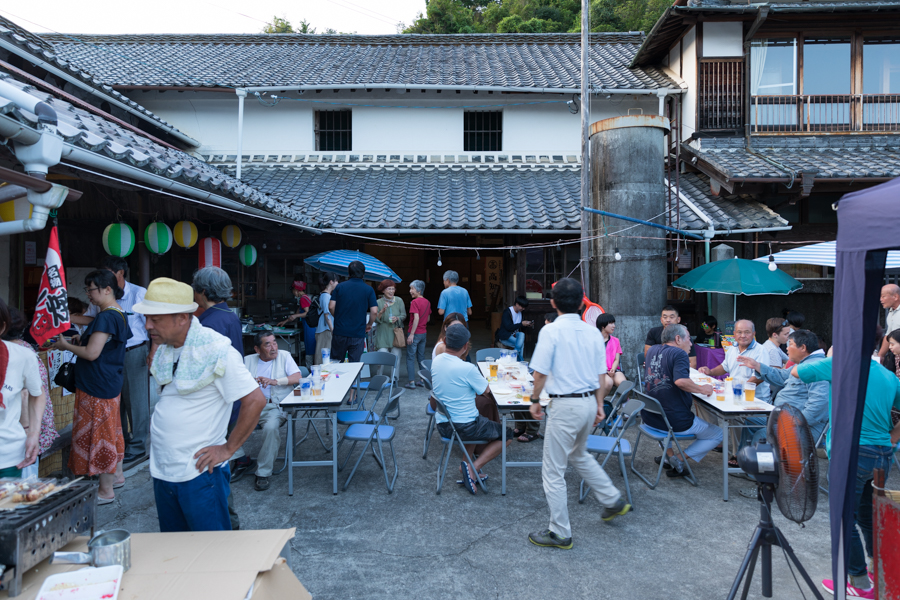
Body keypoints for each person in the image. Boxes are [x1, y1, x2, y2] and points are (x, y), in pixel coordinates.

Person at [134, 278, 265, 532]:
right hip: (164, 470)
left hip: (200, 473)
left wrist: (228, 449)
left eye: (156, 319)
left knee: (211, 555)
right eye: (147, 318)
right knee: (177, 551)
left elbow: (255, 400)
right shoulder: (165, 348)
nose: (148, 326)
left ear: (183, 318)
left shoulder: (216, 349)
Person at [526, 278, 630, 550]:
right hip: (587, 403)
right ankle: (611, 498)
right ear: (583, 301)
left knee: (553, 471)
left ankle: (560, 532)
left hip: (564, 406)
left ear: (552, 302)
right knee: (578, 454)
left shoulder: (551, 331)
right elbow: (600, 373)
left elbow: (540, 372)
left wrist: (535, 399)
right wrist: (598, 404)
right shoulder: (591, 332)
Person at [790, 355, 900, 598]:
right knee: (867, 516)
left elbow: (796, 371)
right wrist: (892, 439)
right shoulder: (888, 375)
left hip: (853, 453)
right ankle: (879, 573)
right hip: (882, 455)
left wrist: (829, 358)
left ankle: (859, 583)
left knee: (843, 518)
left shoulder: (839, 364)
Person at [49, 270, 131, 503]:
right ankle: (117, 476)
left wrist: (65, 345)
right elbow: (99, 338)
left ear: (107, 289)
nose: (88, 295)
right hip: (109, 381)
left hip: (96, 383)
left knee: (101, 436)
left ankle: (105, 491)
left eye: (91, 290)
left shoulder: (106, 316)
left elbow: (92, 353)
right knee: (111, 431)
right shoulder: (117, 313)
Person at [71, 256, 149, 469]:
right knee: (116, 401)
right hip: (109, 354)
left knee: (136, 401)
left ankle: (139, 447)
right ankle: (119, 447)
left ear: (120, 273)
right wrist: (70, 319)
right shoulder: (99, 299)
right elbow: (94, 320)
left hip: (134, 351)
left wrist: (153, 352)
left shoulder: (139, 293)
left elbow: (149, 325)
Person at [192, 267, 255, 506]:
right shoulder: (227, 315)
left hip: (216, 395)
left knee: (214, 458)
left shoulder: (210, 322)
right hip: (230, 391)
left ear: (204, 291)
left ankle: (221, 509)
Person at [431, 323, 512, 494]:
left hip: (444, 425)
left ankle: (466, 466)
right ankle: (474, 468)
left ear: (445, 341)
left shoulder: (436, 361)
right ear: (466, 346)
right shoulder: (467, 368)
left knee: (477, 415)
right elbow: (487, 391)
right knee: (507, 434)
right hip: (464, 428)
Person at [644, 324, 723, 477]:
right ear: (678, 339)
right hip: (673, 421)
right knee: (717, 434)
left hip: (650, 418)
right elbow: (680, 381)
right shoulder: (679, 354)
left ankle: (669, 456)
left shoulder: (652, 350)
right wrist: (703, 389)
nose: (691, 343)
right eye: (689, 338)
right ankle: (678, 459)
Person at [736, 329, 830, 447]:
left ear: (803, 348)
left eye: (790, 344)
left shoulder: (816, 368)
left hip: (803, 426)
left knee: (761, 436)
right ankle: (745, 461)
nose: (786, 348)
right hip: (783, 417)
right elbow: (782, 376)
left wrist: (793, 422)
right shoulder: (803, 363)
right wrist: (757, 366)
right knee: (751, 421)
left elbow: (819, 404)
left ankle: (764, 464)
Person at [242, 331, 302, 492]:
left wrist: (276, 382)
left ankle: (263, 473)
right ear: (257, 349)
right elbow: (236, 384)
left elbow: (298, 377)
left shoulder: (284, 356)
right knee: (224, 423)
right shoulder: (247, 361)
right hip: (250, 407)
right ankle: (239, 460)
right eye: (267, 344)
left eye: (274, 342)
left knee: (270, 428)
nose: (273, 347)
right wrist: (251, 383)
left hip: (275, 406)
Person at [2, 308, 58, 470]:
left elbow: (26, 395)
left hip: (24, 431)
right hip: (35, 425)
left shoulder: (18, 354)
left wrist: (29, 431)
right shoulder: (26, 347)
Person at [699, 319, 771, 404]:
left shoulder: (761, 350)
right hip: (735, 396)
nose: (743, 335)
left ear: (753, 334)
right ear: (734, 334)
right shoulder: (732, 348)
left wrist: (738, 390)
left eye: (747, 332)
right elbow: (725, 367)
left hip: (755, 401)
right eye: (739, 332)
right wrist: (710, 372)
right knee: (705, 403)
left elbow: (758, 378)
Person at [329, 261, 378, 363]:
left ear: (349, 273)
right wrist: (369, 324)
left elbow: (331, 306)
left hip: (340, 332)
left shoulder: (340, 287)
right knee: (355, 366)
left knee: (336, 365)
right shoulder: (368, 289)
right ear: (363, 274)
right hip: (357, 333)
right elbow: (374, 311)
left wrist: (337, 316)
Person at [374, 279, 405, 383]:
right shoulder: (378, 302)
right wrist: (382, 311)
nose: (391, 291)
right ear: (383, 290)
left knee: (396, 357)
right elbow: (376, 319)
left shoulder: (399, 300)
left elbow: (403, 315)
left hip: (395, 333)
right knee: (381, 357)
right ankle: (379, 378)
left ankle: (394, 379)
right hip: (383, 333)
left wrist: (398, 318)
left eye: (393, 289)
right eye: (389, 289)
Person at [405, 280, 431, 389]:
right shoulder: (427, 302)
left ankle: (411, 382)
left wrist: (411, 334)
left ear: (419, 290)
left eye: (412, 289)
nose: (410, 291)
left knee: (410, 357)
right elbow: (428, 318)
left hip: (414, 333)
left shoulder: (414, 302)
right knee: (421, 357)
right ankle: (422, 380)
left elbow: (416, 318)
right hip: (423, 333)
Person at [596, 314, 627, 403]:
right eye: (611, 323)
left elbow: (617, 359)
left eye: (614, 323)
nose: (614, 326)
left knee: (625, 385)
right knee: (608, 383)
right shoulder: (594, 340)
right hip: (599, 371)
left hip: (613, 369)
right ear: (602, 325)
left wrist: (613, 370)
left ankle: (624, 406)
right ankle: (598, 403)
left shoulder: (615, 340)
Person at [496, 296, 532, 361]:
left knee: (522, 334)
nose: (523, 309)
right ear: (517, 304)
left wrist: (526, 325)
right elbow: (508, 327)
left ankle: (514, 356)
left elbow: (519, 327)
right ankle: (520, 361)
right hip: (506, 337)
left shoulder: (521, 312)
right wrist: (521, 324)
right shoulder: (507, 312)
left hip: (515, 335)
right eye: (522, 307)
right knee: (521, 344)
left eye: (524, 307)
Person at [314, 273, 339, 365]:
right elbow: (326, 314)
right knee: (323, 355)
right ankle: (320, 374)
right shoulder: (326, 296)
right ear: (331, 282)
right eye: (336, 281)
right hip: (325, 329)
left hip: (325, 329)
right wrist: (332, 329)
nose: (337, 283)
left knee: (324, 354)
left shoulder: (326, 295)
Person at [878, 284, 900, 358]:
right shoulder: (891, 312)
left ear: (895, 297)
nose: (881, 299)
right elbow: (889, 335)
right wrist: (881, 355)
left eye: (883, 296)